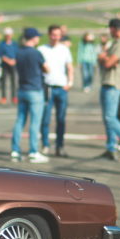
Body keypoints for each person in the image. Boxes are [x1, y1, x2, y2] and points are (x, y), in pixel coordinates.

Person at [97, 18, 120, 162]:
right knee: (107, 118)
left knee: (110, 117)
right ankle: (111, 147)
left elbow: (108, 63)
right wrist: (105, 57)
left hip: (113, 83)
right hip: (108, 82)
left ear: (114, 29)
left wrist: (103, 58)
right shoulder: (117, 42)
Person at [10, 27, 49, 164]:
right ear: (33, 38)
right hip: (35, 90)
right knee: (35, 122)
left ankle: (15, 150)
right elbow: (46, 69)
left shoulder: (19, 53)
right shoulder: (36, 53)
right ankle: (33, 151)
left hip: (22, 89)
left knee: (20, 120)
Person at [39, 24, 74, 157]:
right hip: (48, 87)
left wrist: (70, 82)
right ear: (49, 35)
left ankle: (60, 146)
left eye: (58, 35)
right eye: (53, 35)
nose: (55, 38)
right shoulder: (42, 49)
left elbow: (70, 67)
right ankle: (45, 145)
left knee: (61, 119)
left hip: (62, 88)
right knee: (46, 118)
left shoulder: (64, 49)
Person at [0, 27, 18, 104]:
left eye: (9, 35)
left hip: (13, 64)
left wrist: (14, 61)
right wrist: (8, 61)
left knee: (14, 82)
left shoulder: (15, 44)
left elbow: (17, 53)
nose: (8, 36)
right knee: (4, 81)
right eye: (7, 35)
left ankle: (14, 97)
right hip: (5, 65)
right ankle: (3, 97)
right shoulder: (2, 44)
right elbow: (1, 55)